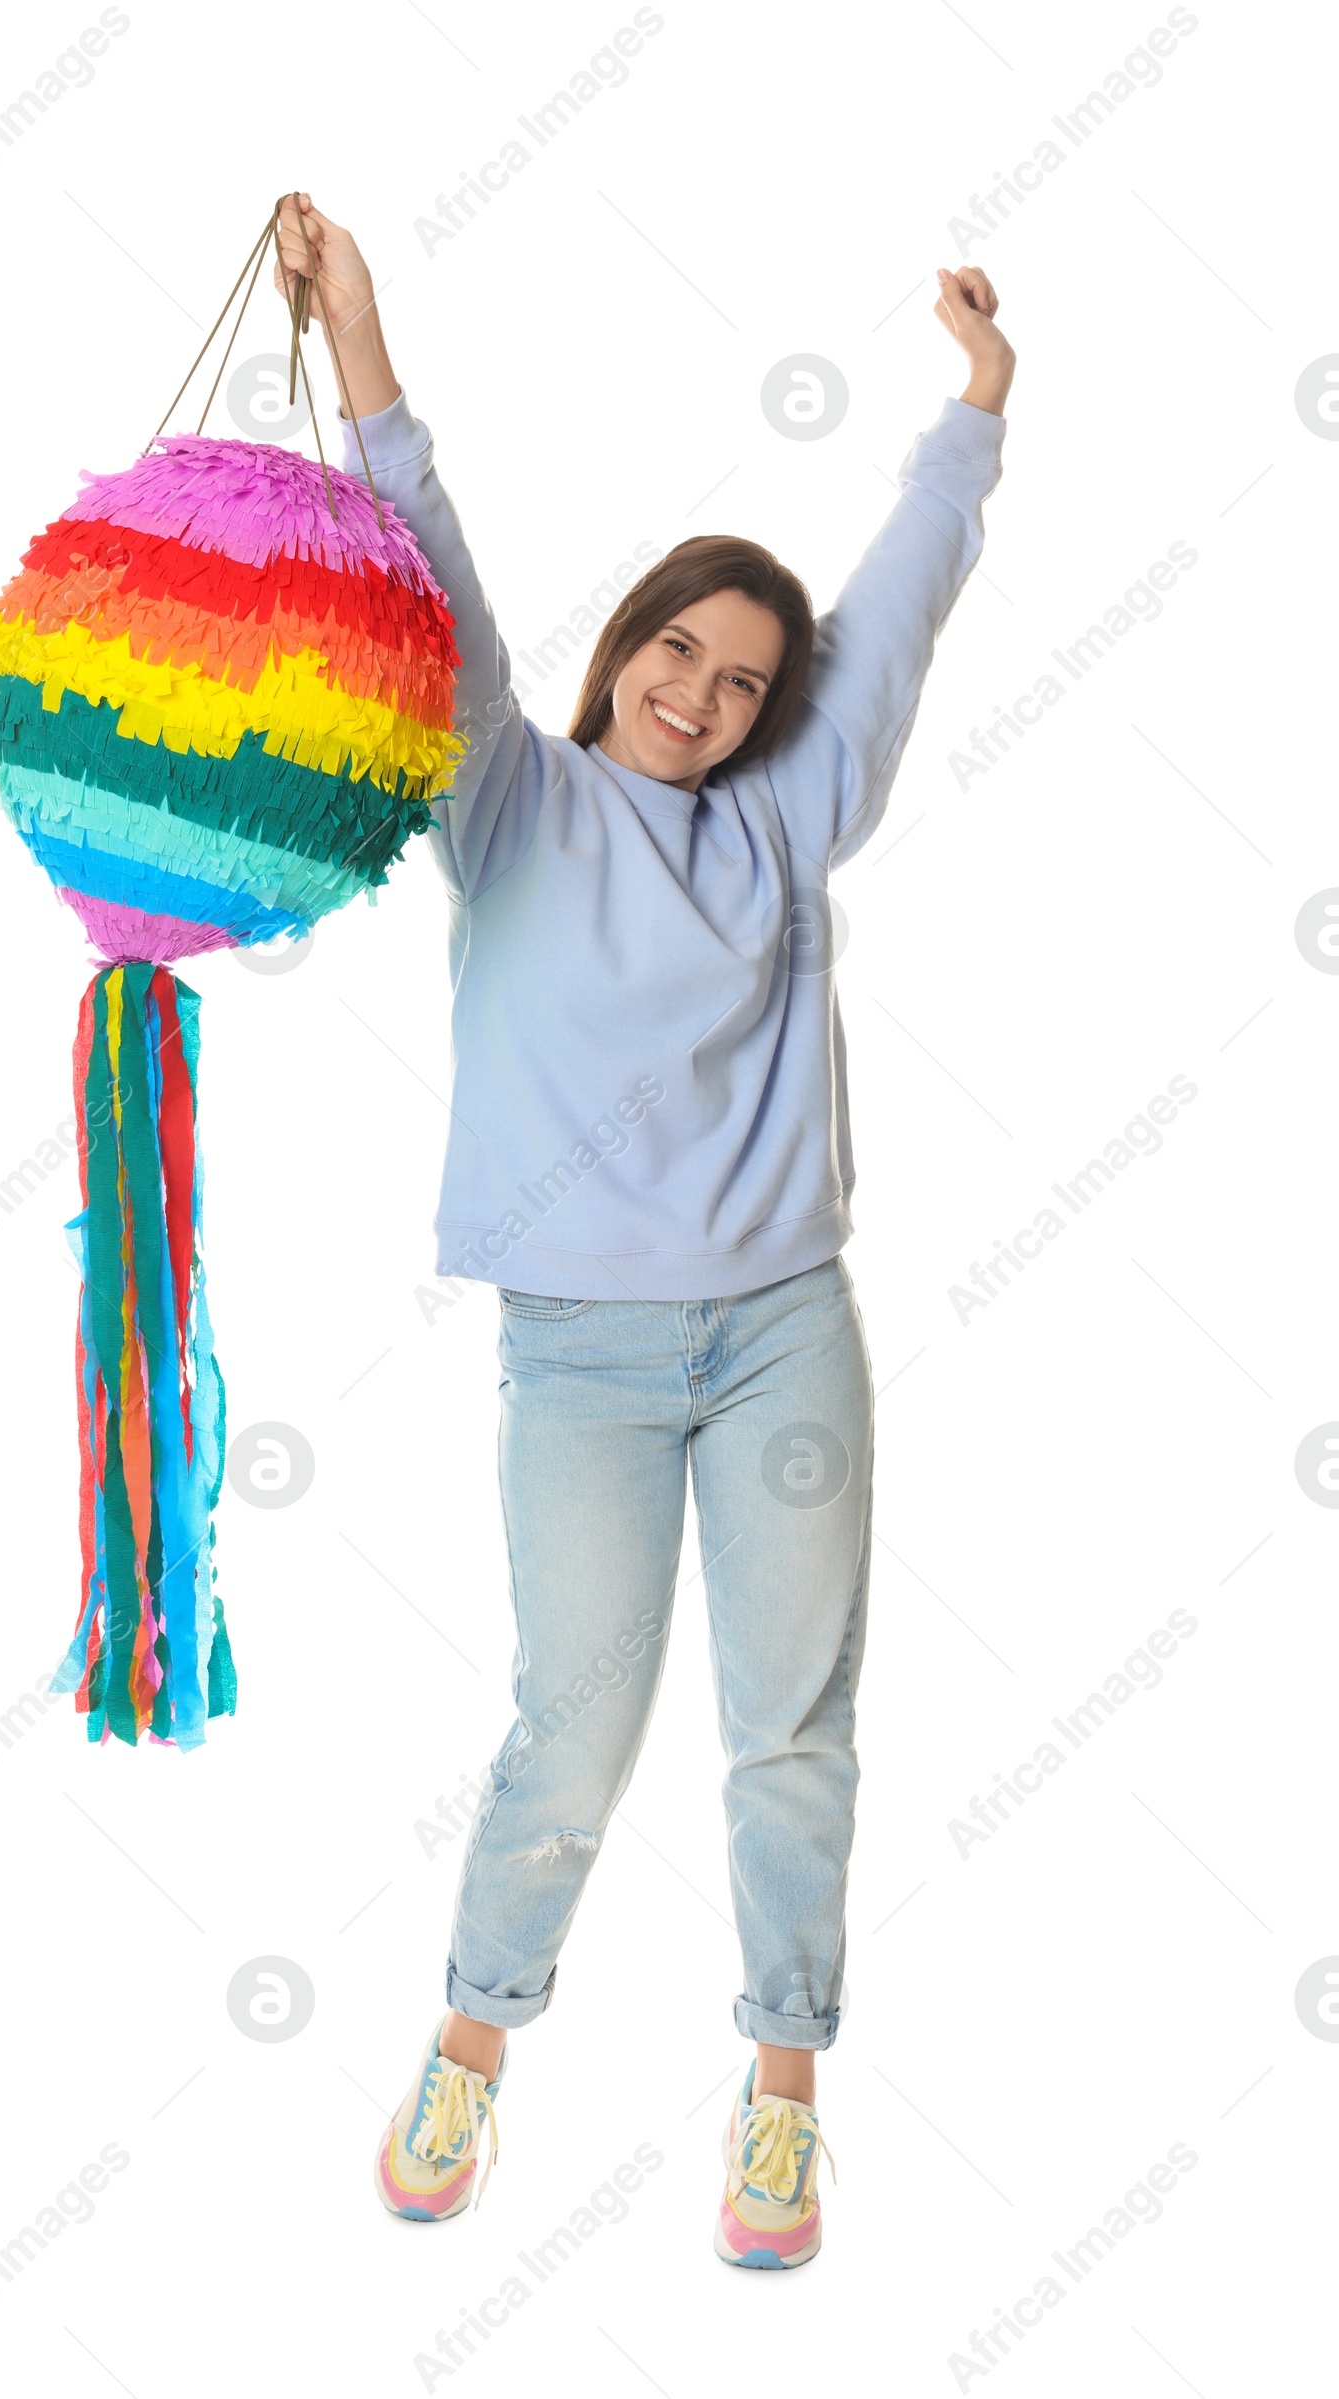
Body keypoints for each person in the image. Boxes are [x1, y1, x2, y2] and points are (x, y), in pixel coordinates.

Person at [272, 192, 1013, 2269]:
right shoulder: (503, 793)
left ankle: (778, 2096)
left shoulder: (781, 817)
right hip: (582, 1355)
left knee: (788, 1724)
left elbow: (895, 605)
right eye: (677, 648)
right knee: (570, 1730)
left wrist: (970, 413)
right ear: (624, 651)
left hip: (781, 1329)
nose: (701, 690)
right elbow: (430, 574)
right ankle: (472, 2043)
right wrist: (365, 350)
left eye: (741, 677)